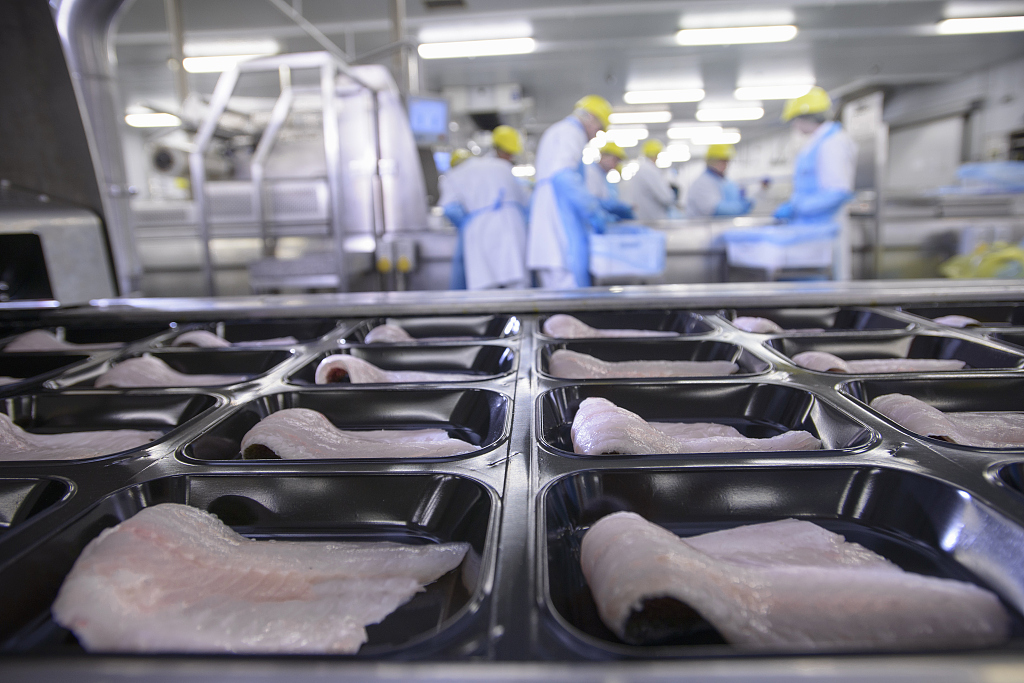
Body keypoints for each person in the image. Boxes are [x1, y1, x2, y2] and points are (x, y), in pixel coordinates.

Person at [527, 95, 614, 288]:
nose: (596, 135)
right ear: (590, 117)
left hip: (548, 231)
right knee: (567, 294)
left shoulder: (558, 130)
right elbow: (563, 175)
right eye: (598, 128)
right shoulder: (572, 132)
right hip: (558, 231)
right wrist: (592, 210)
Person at [773, 86, 857, 277]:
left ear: (805, 118)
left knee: (828, 281)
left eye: (794, 120)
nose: (794, 126)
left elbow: (838, 191)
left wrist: (798, 206)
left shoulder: (833, 143)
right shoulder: (816, 143)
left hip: (828, 229)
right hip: (814, 231)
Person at [439, 127, 529, 289]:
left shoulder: (454, 175)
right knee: (517, 284)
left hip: (481, 231)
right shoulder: (503, 167)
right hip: (514, 229)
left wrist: (465, 223)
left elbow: (449, 208)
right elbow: (525, 201)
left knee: (485, 288)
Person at [685, 144, 753, 217]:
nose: (725, 165)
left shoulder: (724, 181)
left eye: (726, 161)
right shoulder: (702, 183)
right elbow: (713, 209)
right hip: (702, 224)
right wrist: (739, 207)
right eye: (721, 161)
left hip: (722, 224)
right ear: (710, 161)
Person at [626, 139, 677, 222]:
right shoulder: (650, 170)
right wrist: (671, 195)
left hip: (645, 217)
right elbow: (666, 197)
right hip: (653, 219)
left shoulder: (642, 169)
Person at [585, 142, 633, 220]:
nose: (615, 165)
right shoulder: (591, 172)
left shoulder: (601, 175)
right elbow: (591, 201)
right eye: (615, 160)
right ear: (604, 156)